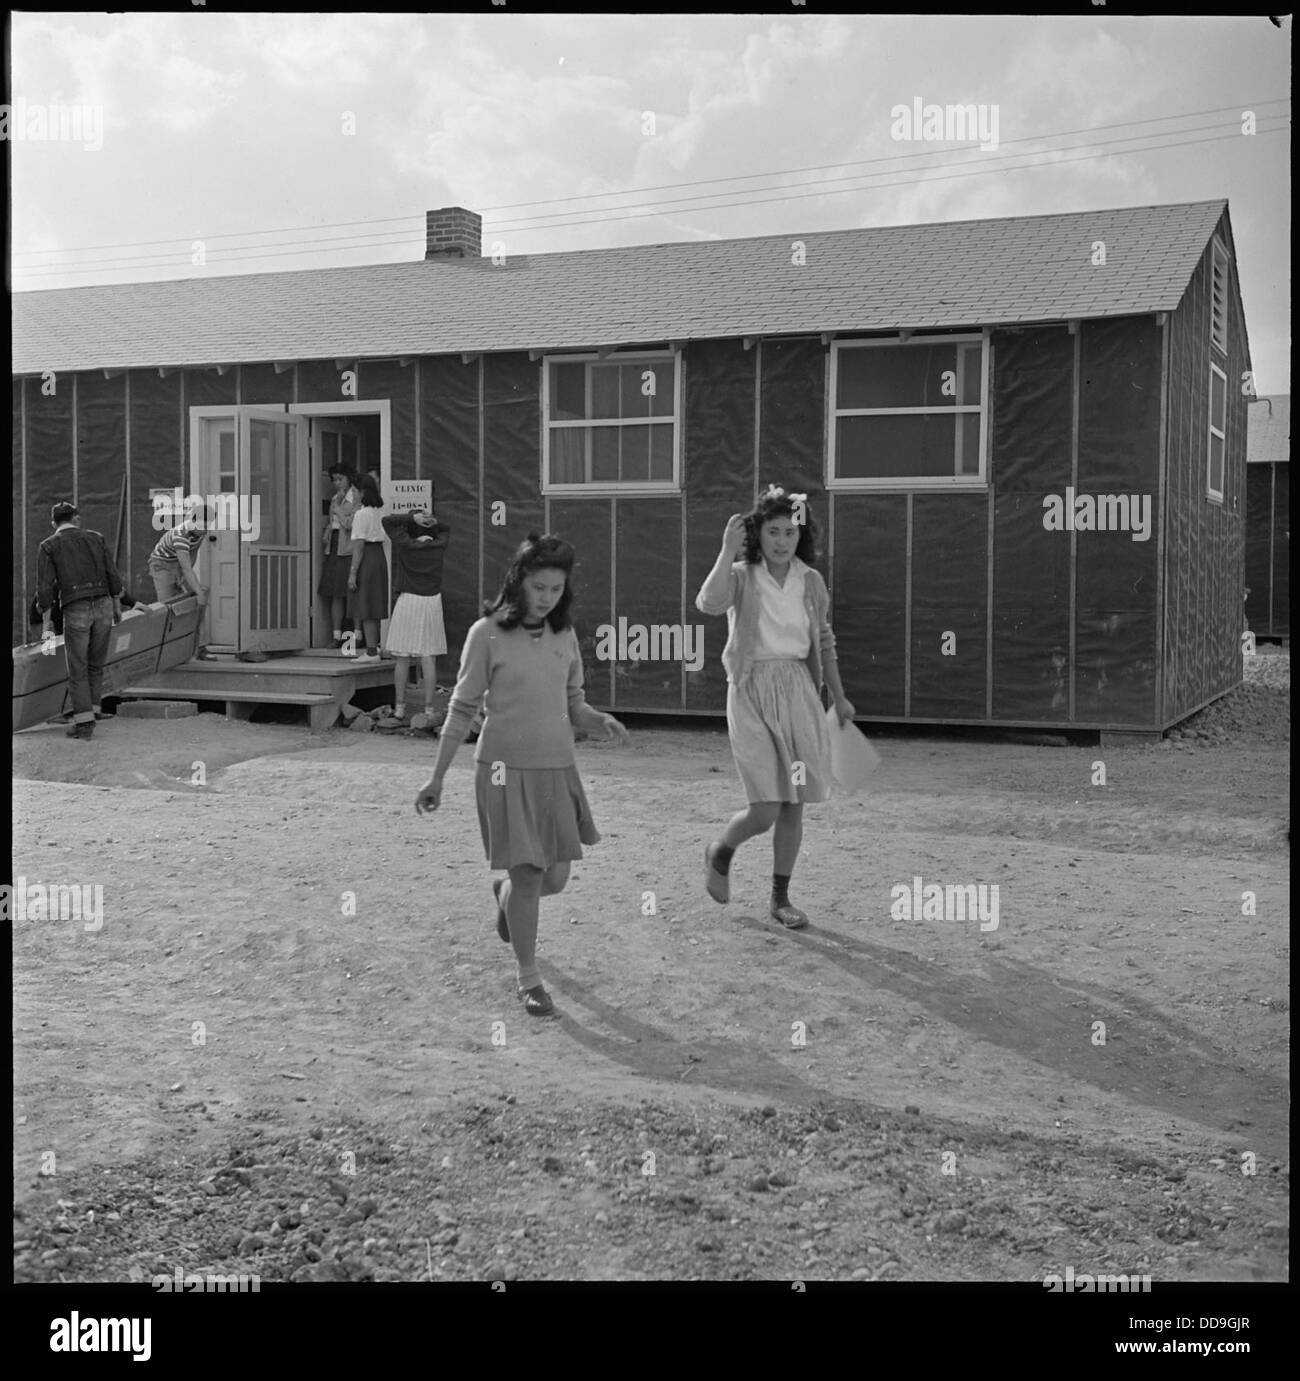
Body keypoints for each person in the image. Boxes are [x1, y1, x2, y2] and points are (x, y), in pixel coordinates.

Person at [415, 532, 629, 1017]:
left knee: (555, 878)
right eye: (538, 587)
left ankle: (506, 897)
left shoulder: (565, 635)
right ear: (518, 582)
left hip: (557, 770)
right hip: (502, 772)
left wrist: (600, 721)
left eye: (556, 589)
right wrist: (437, 778)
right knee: (530, 875)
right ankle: (529, 978)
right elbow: (462, 708)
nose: (547, 597)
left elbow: (574, 705)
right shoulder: (485, 633)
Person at [696, 485, 855, 928]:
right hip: (750, 690)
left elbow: (824, 642)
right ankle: (721, 850)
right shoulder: (743, 575)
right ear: (758, 534)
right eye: (773, 531)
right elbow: (708, 603)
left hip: (799, 692)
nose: (782, 540)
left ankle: (780, 899)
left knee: (794, 803)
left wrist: (838, 698)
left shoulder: (811, 581)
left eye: (789, 531)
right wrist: (727, 550)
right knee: (765, 807)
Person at [35, 501, 124, 740]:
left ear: (53, 523)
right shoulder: (97, 538)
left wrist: (46, 619)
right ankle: (94, 710)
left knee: (78, 668)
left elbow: (45, 587)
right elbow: (113, 575)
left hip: (76, 607)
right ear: (76, 518)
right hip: (104, 604)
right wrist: (116, 603)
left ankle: (84, 724)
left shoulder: (48, 545)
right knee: (96, 664)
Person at [380, 502, 450, 723]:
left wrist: (412, 518)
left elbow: (387, 521)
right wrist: (433, 520)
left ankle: (400, 709)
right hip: (431, 602)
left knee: (402, 657)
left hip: (408, 600)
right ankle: (429, 710)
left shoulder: (405, 545)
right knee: (428, 657)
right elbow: (447, 529)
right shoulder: (439, 544)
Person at [346, 476, 388, 664]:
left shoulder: (361, 514)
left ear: (362, 492)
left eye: (354, 491)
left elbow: (359, 546)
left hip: (367, 558)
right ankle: (374, 646)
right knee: (374, 603)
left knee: (365, 604)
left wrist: (353, 572)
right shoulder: (380, 511)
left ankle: (371, 651)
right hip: (379, 557)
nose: (353, 494)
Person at [319, 465, 359, 648]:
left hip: (349, 547)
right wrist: (327, 530)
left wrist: (338, 510)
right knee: (335, 592)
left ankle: (355, 638)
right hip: (334, 545)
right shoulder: (336, 498)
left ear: (349, 478)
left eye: (340, 479)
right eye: (334, 479)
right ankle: (336, 636)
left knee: (351, 593)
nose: (337, 483)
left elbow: (351, 524)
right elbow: (332, 522)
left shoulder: (356, 497)